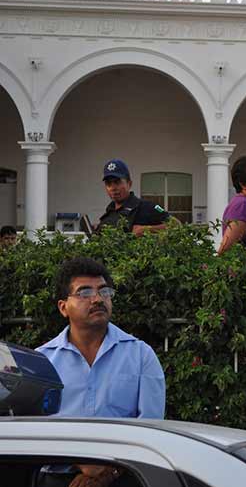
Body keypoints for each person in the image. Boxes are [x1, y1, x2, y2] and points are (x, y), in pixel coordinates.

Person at [36, 257, 165, 486]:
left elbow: (151, 427)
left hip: (125, 476)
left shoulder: (140, 355)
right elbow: (34, 428)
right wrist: (80, 464)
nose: (97, 299)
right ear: (63, 307)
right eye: (84, 292)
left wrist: (107, 474)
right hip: (59, 477)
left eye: (104, 291)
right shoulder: (43, 361)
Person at [96, 159, 171, 236]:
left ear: (129, 184)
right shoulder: (109, 213)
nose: (113, 188)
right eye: (108, 184)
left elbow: (176, 224)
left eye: (117, 182)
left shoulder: (148, 206)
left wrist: (146, 229)